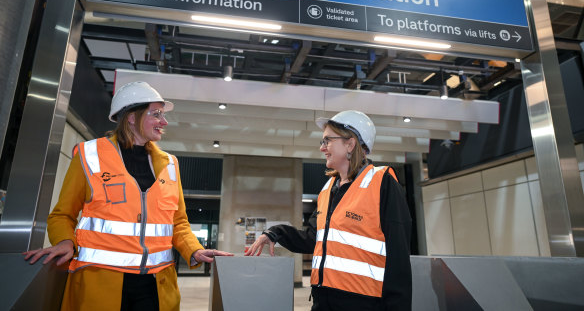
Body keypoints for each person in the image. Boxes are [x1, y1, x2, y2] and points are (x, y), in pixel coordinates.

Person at [23, 81, 233, 311]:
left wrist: (194, 249)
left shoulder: (170, 164)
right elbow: (62, 215)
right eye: (157, 114)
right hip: (101, 285)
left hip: (155, 287)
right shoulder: (89, 155)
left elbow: (178, 222)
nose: (164, 122)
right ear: (132, 117)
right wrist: (65, 241)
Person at [245, 110, 412, 310]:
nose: (322, 148)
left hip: (363, 304)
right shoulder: (328, 189)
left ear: (350, 144)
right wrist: (276, 233)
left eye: (327, 141)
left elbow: (398, 257)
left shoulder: (382, 182)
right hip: (322, 301)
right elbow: (314, 239)